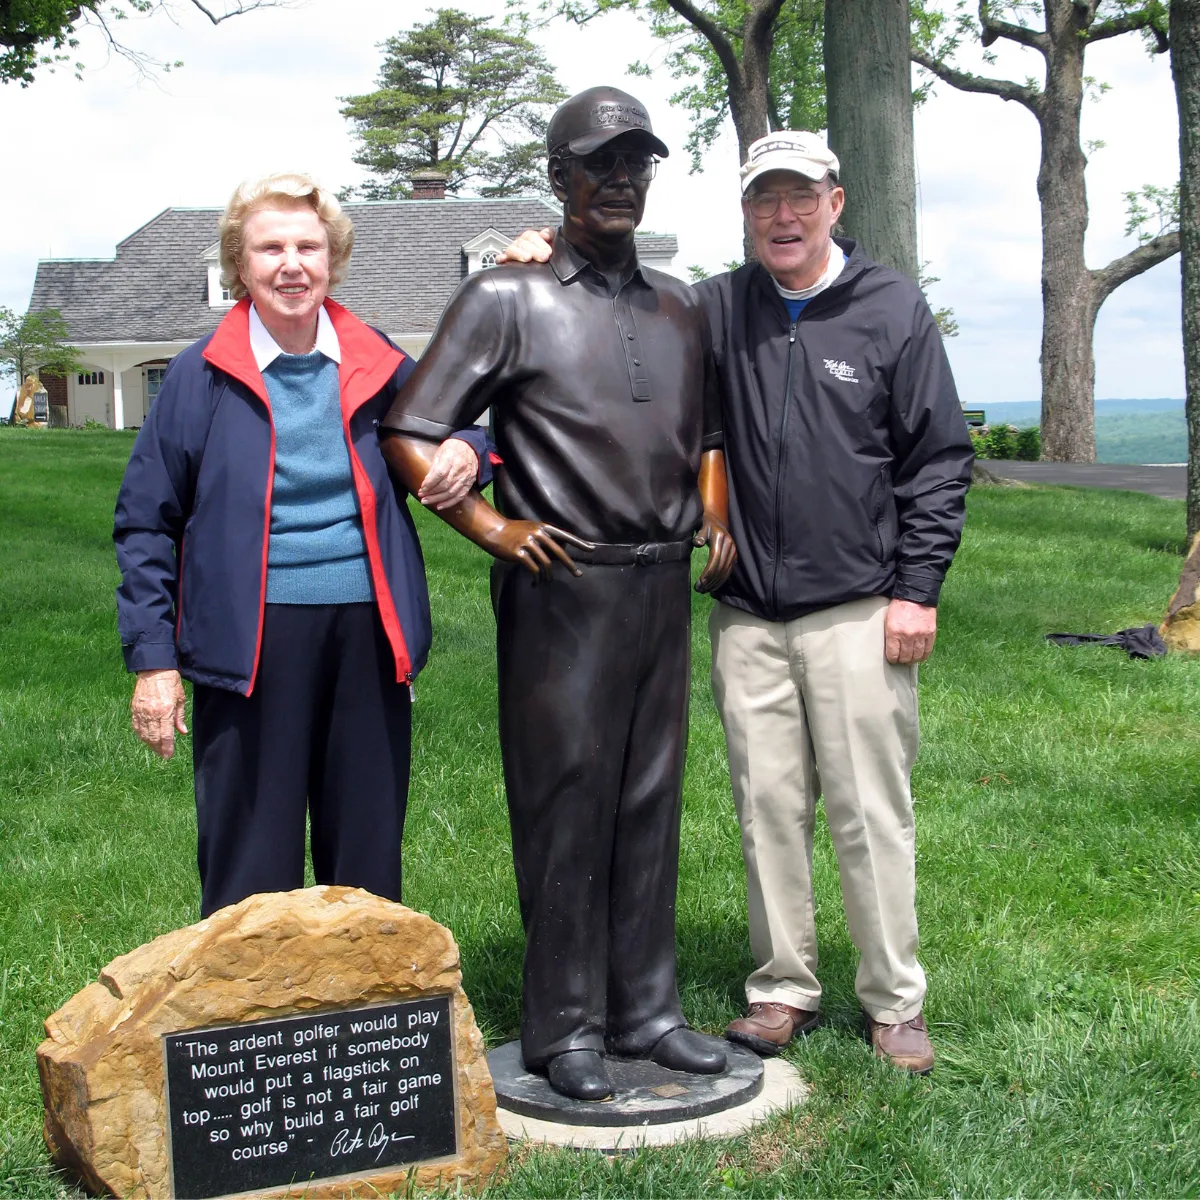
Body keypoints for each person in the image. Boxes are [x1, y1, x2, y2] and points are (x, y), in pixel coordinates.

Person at [500, 130, 974, 1075]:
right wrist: (538, 248)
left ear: (838, 202)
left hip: (858, 606)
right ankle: (782, 989)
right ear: (747, 213)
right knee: (766, 804)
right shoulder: (714, 307)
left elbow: (939, 461)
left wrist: (916, 591)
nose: (784, 217)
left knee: (868, 810)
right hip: (748, 613)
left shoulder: (891, 310)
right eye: (766, 201)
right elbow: (611, 308)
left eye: (802, 198)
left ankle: (893, 1000)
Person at [380, 87, 738, 1102]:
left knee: (649, 800)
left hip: (660, 586)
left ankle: (650, 1010)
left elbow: (706, 434)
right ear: (560, 178)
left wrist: (712, 511)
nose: (622, 178)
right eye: (601, 162)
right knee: (565, 802)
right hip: (560, 587)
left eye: (638, 162)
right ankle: (565, 1026)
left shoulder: (680, 303)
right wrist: (490, 526)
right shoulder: (506, 298)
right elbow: (409, 429)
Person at [114, 173, 487, 919]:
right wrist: (154, 663)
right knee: (251, 860)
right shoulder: (199, 376)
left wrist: (471, 450)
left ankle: (364, 1026)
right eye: (271, 247)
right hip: (247, 643)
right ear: (240, 265)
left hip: (367, 632)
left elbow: (469, 418)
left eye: (308, 246)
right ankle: (254, 1029)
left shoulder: (374, 359)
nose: (292, 263)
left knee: (366, 859)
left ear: (333, 259)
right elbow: (146, 524)